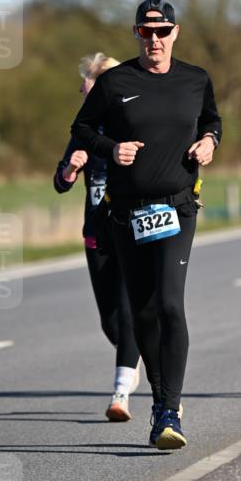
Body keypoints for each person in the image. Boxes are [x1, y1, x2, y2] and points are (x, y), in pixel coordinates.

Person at [72, 0, 222, 449]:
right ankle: (160, 401)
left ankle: (169, 410)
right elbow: (81, 129)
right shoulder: (116, 82)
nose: (153, 40)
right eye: (145, 32)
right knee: (141, 313)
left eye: (162, 31)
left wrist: (211, 140)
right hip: (126, 211)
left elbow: (212, 118)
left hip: (178, 207)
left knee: (170, 306)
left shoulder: (196, 79)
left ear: (176, 32)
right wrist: (109, 148)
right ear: (135, 34)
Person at [53, 53, 141, 420]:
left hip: (132, 231)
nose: (80, 88)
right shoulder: (83, 130)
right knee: (110, 322)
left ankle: (120, 393)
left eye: (85, 81)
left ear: (104, 84)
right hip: (96, 235)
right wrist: (71, 170)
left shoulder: (131, 123)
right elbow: (59, 182)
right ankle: (151, 363)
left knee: (128, 312)